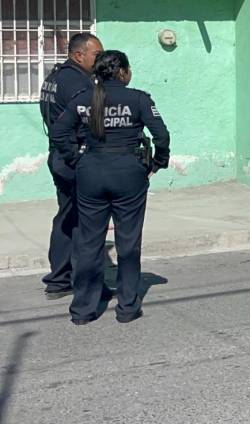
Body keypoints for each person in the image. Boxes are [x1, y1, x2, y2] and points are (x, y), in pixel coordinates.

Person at [49, 51, 170, 325]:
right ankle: (127, 307)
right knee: (128, 241)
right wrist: (158, 162)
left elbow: (58, 133)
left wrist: (75, 159)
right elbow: (161, 135)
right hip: (129, 173)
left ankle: (83, 310)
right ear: (123, 72)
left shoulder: (83, 99)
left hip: (91, 171)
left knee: (89, 242)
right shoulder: (138, 99)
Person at [37, 32, 103, 300]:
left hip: (59, 156)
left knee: (67, 215)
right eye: (96, 55)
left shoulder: (54, 77)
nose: (100, 60)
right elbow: (89, 123)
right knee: (87, 221)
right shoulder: (79, 83)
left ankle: (59, 279)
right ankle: (85, 282)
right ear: (79, 55)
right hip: (76, 156)